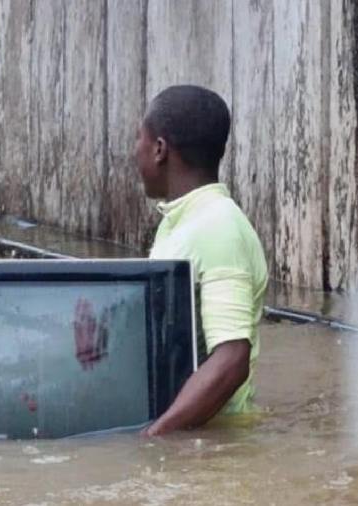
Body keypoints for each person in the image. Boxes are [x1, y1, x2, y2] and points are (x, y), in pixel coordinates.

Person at [134, 85, 268, 436]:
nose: (135, 152)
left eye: (139, 139)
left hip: (214, 442)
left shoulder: (218, 227)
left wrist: (155, 436)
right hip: (190, 432)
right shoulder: (181, 221)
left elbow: (232, 359)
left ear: (160, 149)